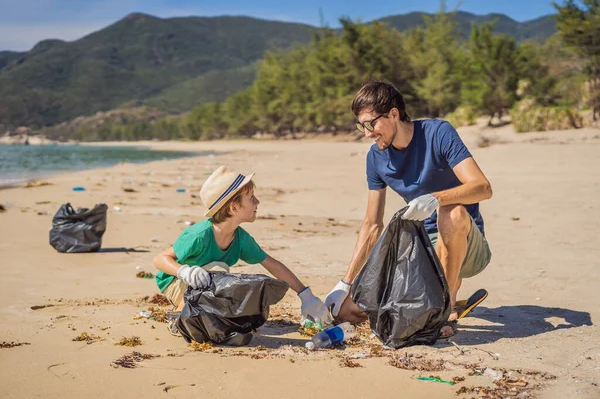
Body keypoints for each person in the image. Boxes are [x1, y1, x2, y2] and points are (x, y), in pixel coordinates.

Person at [324, 82, 493, 338]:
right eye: (361, 126)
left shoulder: (438, 133)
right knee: (345, 311)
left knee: (451, 211)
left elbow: (482, 187)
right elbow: (372, 225)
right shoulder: (376, 158)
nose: (367, 133)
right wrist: (344, 283)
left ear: (393, 114)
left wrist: (436, 199)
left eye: (371, 124)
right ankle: (430, 301)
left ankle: (441, 309)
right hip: (418, 249)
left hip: (465, 243)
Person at [153, 165, 331, 335]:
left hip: (208, 281)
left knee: (239, 290)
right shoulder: (200, 235)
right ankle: (179, 316)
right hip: (176, 281)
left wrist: (305, 295)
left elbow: (272, 265)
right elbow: (160, 260)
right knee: (215, 275)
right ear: (234, 207)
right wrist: (184, 271)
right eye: (252, 197)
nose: (257, 201)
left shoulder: (241, 239)